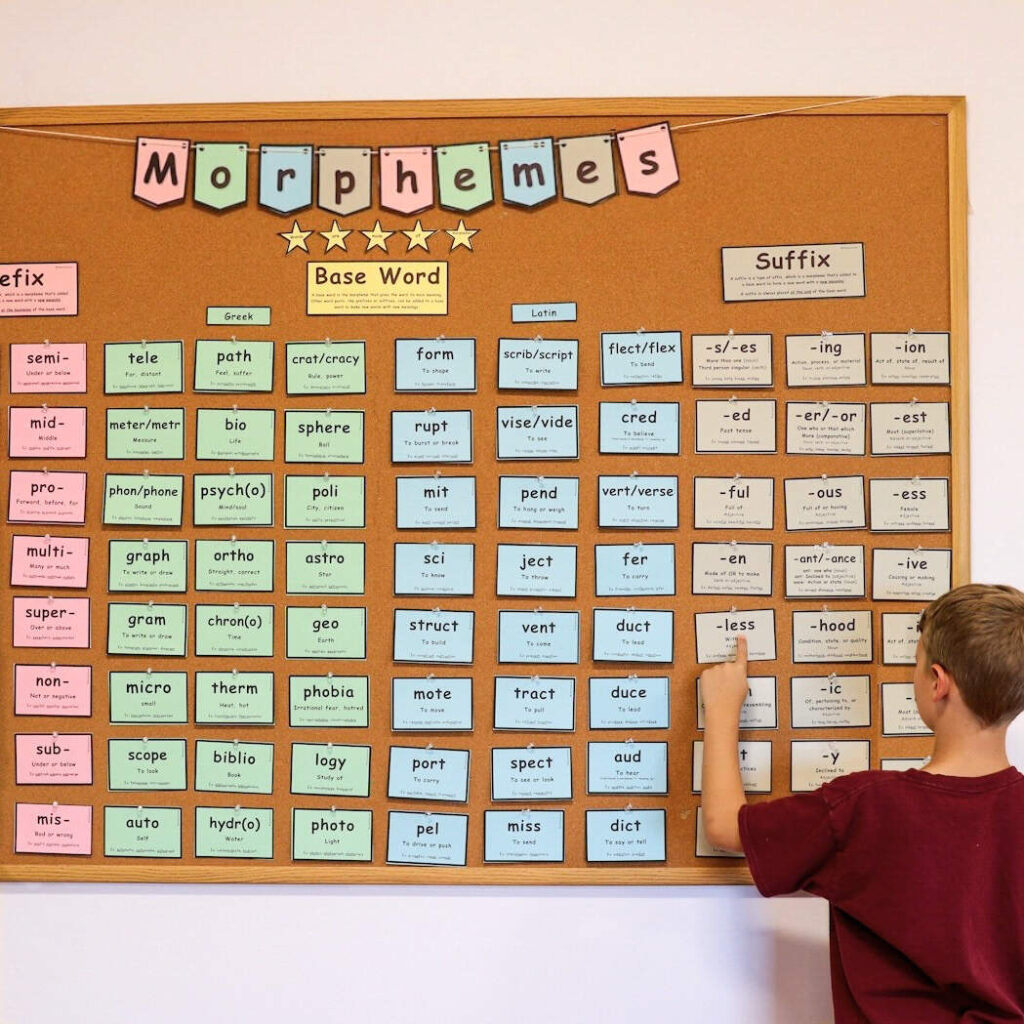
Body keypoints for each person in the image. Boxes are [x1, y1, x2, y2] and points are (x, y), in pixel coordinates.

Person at [700, 584, 1024, 1022]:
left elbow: (723, 826)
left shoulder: (866, 807)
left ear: (937, 683)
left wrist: (721, 709)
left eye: (916, 661)